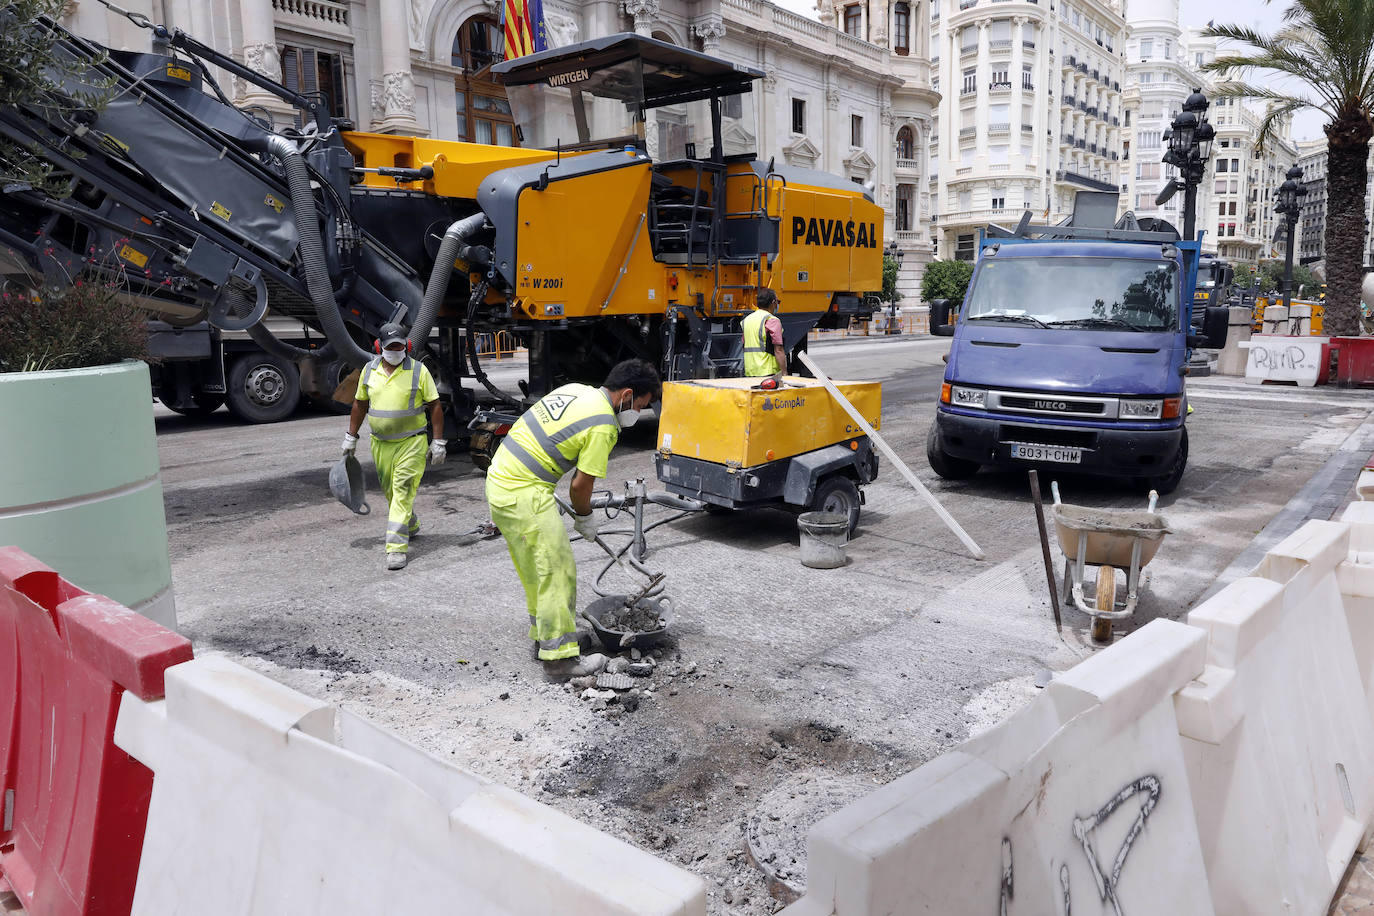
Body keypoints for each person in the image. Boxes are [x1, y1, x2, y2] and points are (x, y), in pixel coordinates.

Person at [484, 359, 661, 677]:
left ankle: (549, 639)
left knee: (538, 571)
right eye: (641, 405)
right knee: (557, 569)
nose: (638, 413)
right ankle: (561, 661)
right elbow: (580, 487)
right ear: (627, 395)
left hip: (501, 480)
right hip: (524, 491)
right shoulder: (604, 424)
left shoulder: (578, 390)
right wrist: (585, 519)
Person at [341, 323, 446, 570]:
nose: (395, 350)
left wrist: (438, 441)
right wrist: (351, 437)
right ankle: (410, 523)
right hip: (381, 444)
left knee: (401, 489)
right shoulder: (369, 370)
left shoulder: (418, 371)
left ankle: (396, 548)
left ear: (407, 346)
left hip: (412, 442)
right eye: (390, 347)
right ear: (379, 347)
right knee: (392, 493)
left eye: (399, 346)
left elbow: (435, 406)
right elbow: (359, 404)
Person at [742, 288, 787, 377]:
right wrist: (784, 373)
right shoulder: (772, 320)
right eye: (778, 302)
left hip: (750, 371)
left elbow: (744, 345)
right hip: (768, 371)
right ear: (773, 302)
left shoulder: (746, 320)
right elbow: (778, 350)